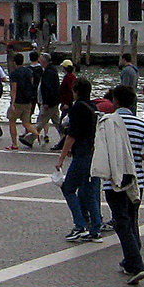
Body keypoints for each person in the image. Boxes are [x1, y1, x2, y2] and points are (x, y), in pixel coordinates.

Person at [94, 84, 144, 285]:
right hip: (137, 181)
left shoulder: (107, 122)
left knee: (122, 223)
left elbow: (101, 151)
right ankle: (130, 260)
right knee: (132, 219)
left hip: (114, 181)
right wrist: (136, 156)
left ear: (115, 101)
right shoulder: (140, 124)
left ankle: (136, 264)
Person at [55, 78, 103, 243]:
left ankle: (79, 225)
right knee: (89, 190)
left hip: (82, 153)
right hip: (93, 152)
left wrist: (61, 157)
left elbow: (71, 135)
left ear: (75, 92)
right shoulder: (93, 107)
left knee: (68, 188)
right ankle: (96, 227)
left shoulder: (76, 109)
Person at [5, 52, 37, 150]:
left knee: (12, 121)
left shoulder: (14, 73)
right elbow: (31, 84)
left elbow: (14, 89)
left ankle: (14, 144)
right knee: (26, 122)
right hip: (28, 100)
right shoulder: (28, 71)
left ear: (14, 62)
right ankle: (37, 133)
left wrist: (12, 103)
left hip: (18, 101)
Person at [32, 51, 61, 146]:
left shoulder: (48, 72)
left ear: (44, 62)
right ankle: (64, 136)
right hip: (54, 101)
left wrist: (46, 102)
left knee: (41, 120)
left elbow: (48, 88)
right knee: (56, 121)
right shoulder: (51, 71)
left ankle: (30, 137)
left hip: (49, 102)